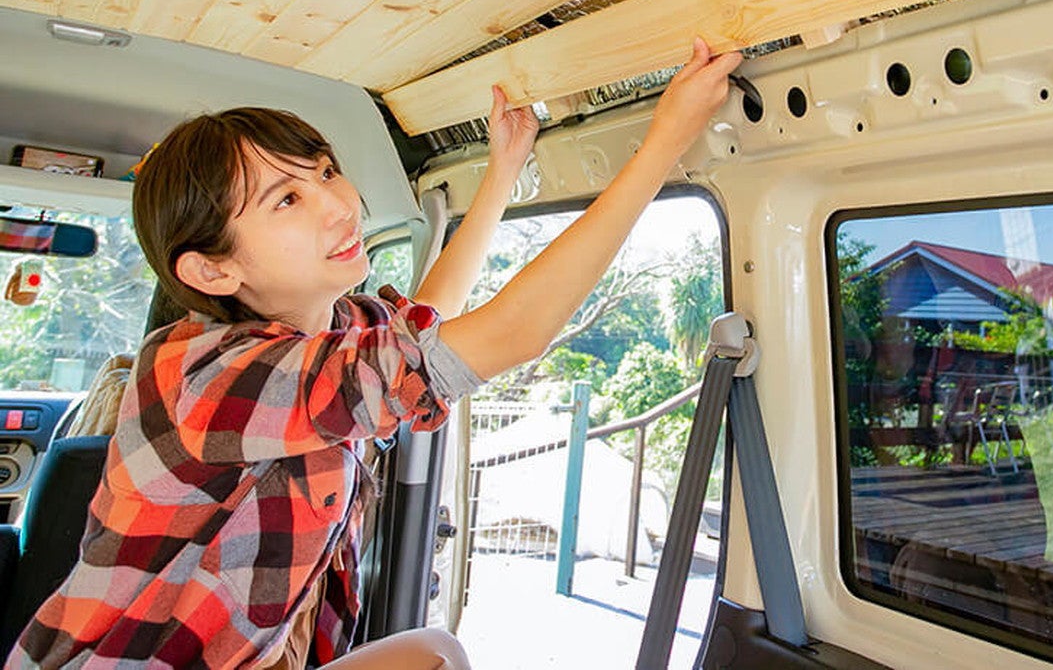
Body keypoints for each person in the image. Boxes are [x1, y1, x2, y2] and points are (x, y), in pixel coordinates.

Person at [6, 39, 741, 669]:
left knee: (436, 653)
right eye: (286, 200)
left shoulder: (332, 330)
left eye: (326, 171)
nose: (339, 203)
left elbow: (428, 323)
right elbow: (510, 334)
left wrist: (502, 171)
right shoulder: (202, 376)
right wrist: (665, 140)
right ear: (212, 270)